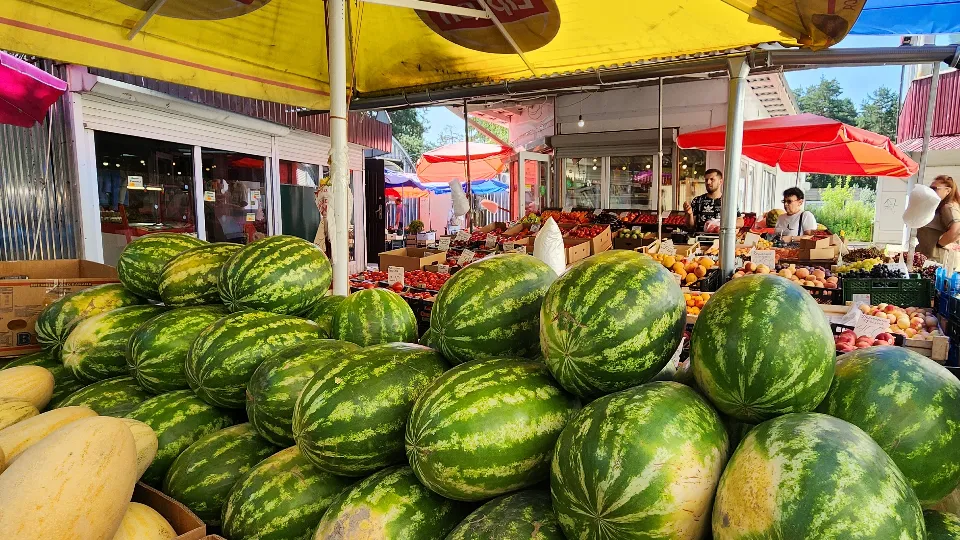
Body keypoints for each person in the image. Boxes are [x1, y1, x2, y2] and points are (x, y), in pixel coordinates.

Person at [917, 175, 960, 260]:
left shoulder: (948, 206)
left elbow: (957, 230)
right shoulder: (940, 206)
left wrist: (939, 245)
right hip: (931, 259)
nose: (931, 191)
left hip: (937, 262)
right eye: (930, 188)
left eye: (934, 188)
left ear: (947, 190)